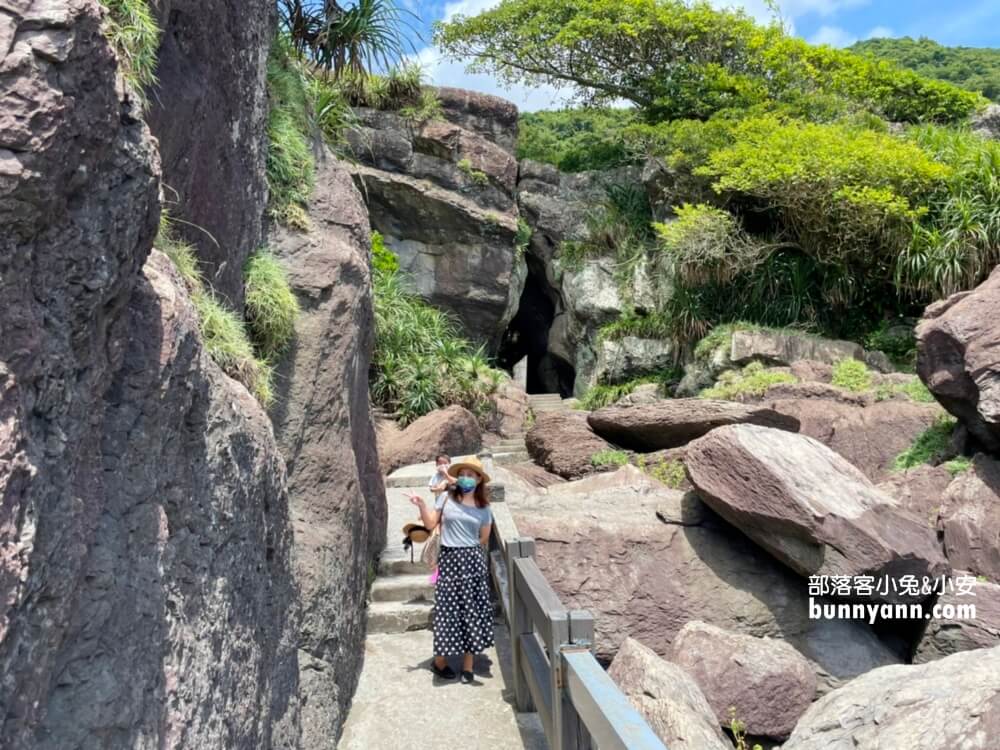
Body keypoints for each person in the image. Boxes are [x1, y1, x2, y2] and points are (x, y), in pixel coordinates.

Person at [406, 455, 494, 683]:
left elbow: (483, 538)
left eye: (470, 475)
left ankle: (468, 665)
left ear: (478, 480)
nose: (465, 478)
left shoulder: (484, 508)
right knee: (447, 610)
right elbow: (429, 524)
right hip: (450, 559)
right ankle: (440, 661)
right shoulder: (446, 498)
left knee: (471, 611)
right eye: (462, 474)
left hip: (473, 561)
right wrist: (422, 504)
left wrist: (467, 547)